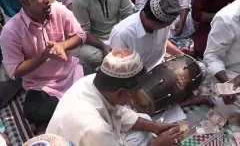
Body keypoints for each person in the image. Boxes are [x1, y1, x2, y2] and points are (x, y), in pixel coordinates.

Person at [0, 0, 86, 130]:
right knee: (34, 111)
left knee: (102, 81)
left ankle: (66, 111)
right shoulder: (11, 31)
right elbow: (14, 71)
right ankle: (76, 106)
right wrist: (45, 55)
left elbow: (80, 35)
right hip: (43, 86)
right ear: (23, 2)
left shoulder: (59, 10)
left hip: (72, 73)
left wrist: (61, 46)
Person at [46, 48, 184, 146]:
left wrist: (155, 127)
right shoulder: (95, 128)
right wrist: (157, 145)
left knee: (146, 121)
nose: (136, 97)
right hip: (90, 137)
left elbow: (119, 113)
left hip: (95, 138)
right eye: (135, 91)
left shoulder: (93, 81)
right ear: (120, 93)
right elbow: (100, 130)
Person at [72, 0, 134, 70]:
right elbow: (83, 32)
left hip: (117, 35)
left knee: (137, 43)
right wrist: (102, 46)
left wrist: (122, 39)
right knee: (92, 56)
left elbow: (129, 19)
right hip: (95, 42)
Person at [110, 0, 184, 72]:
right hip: (133, 78)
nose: (167, 27)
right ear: (156, 24)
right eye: (166, 25)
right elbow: (118, 68)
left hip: (158, 68)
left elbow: (163, 42)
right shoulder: (122, 34)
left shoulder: (161, 21)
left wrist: (182, 56)